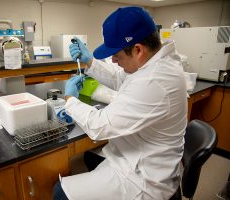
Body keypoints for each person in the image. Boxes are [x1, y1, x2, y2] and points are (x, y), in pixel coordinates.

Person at [53, 6, 187, 200]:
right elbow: (122, 78)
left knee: (60, 193)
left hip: (143, 180)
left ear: (138, 49)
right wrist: (90, 61)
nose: (114, 60)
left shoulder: (155, 81)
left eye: (117, 55)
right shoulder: (154, 63)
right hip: (137, 156)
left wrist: (70, 100)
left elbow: (99, 126)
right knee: (90, 161)